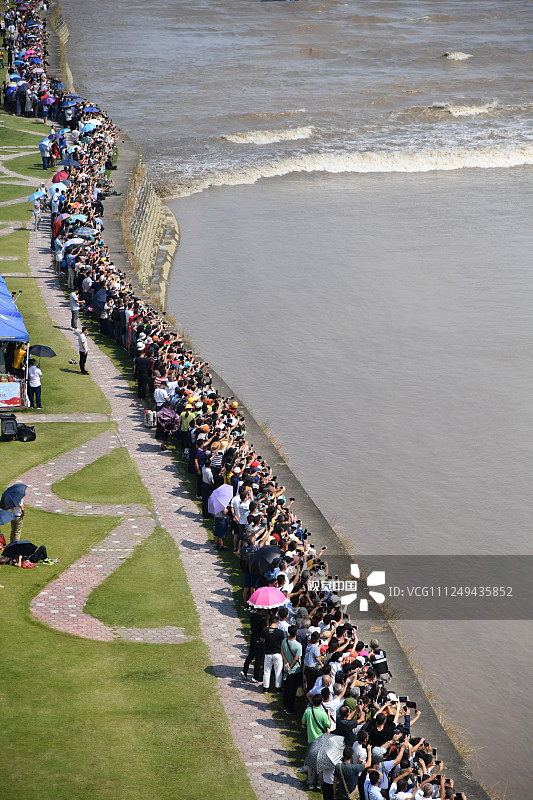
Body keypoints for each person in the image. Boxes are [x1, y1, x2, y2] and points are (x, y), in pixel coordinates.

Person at [260, 614, 285, 692]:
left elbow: (261, 639)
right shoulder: (280, 632)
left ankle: (265, 687)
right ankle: (278, 687)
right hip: (277, 654)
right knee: (278, 671)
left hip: (268, 653)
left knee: (267, 671)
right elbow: (283, 642)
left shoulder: (265, 630)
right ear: (277, 623)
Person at [281, 624, 302, 714]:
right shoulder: (298, 645)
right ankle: (290, 708)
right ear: (296, 633)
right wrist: (291, 666)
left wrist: (286, 663)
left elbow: (282, 653)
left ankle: (285, 705)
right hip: (295, 670)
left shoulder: (284, 641)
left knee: (286, 688)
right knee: (292, 690)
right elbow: (297, 658)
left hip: (286, 668)